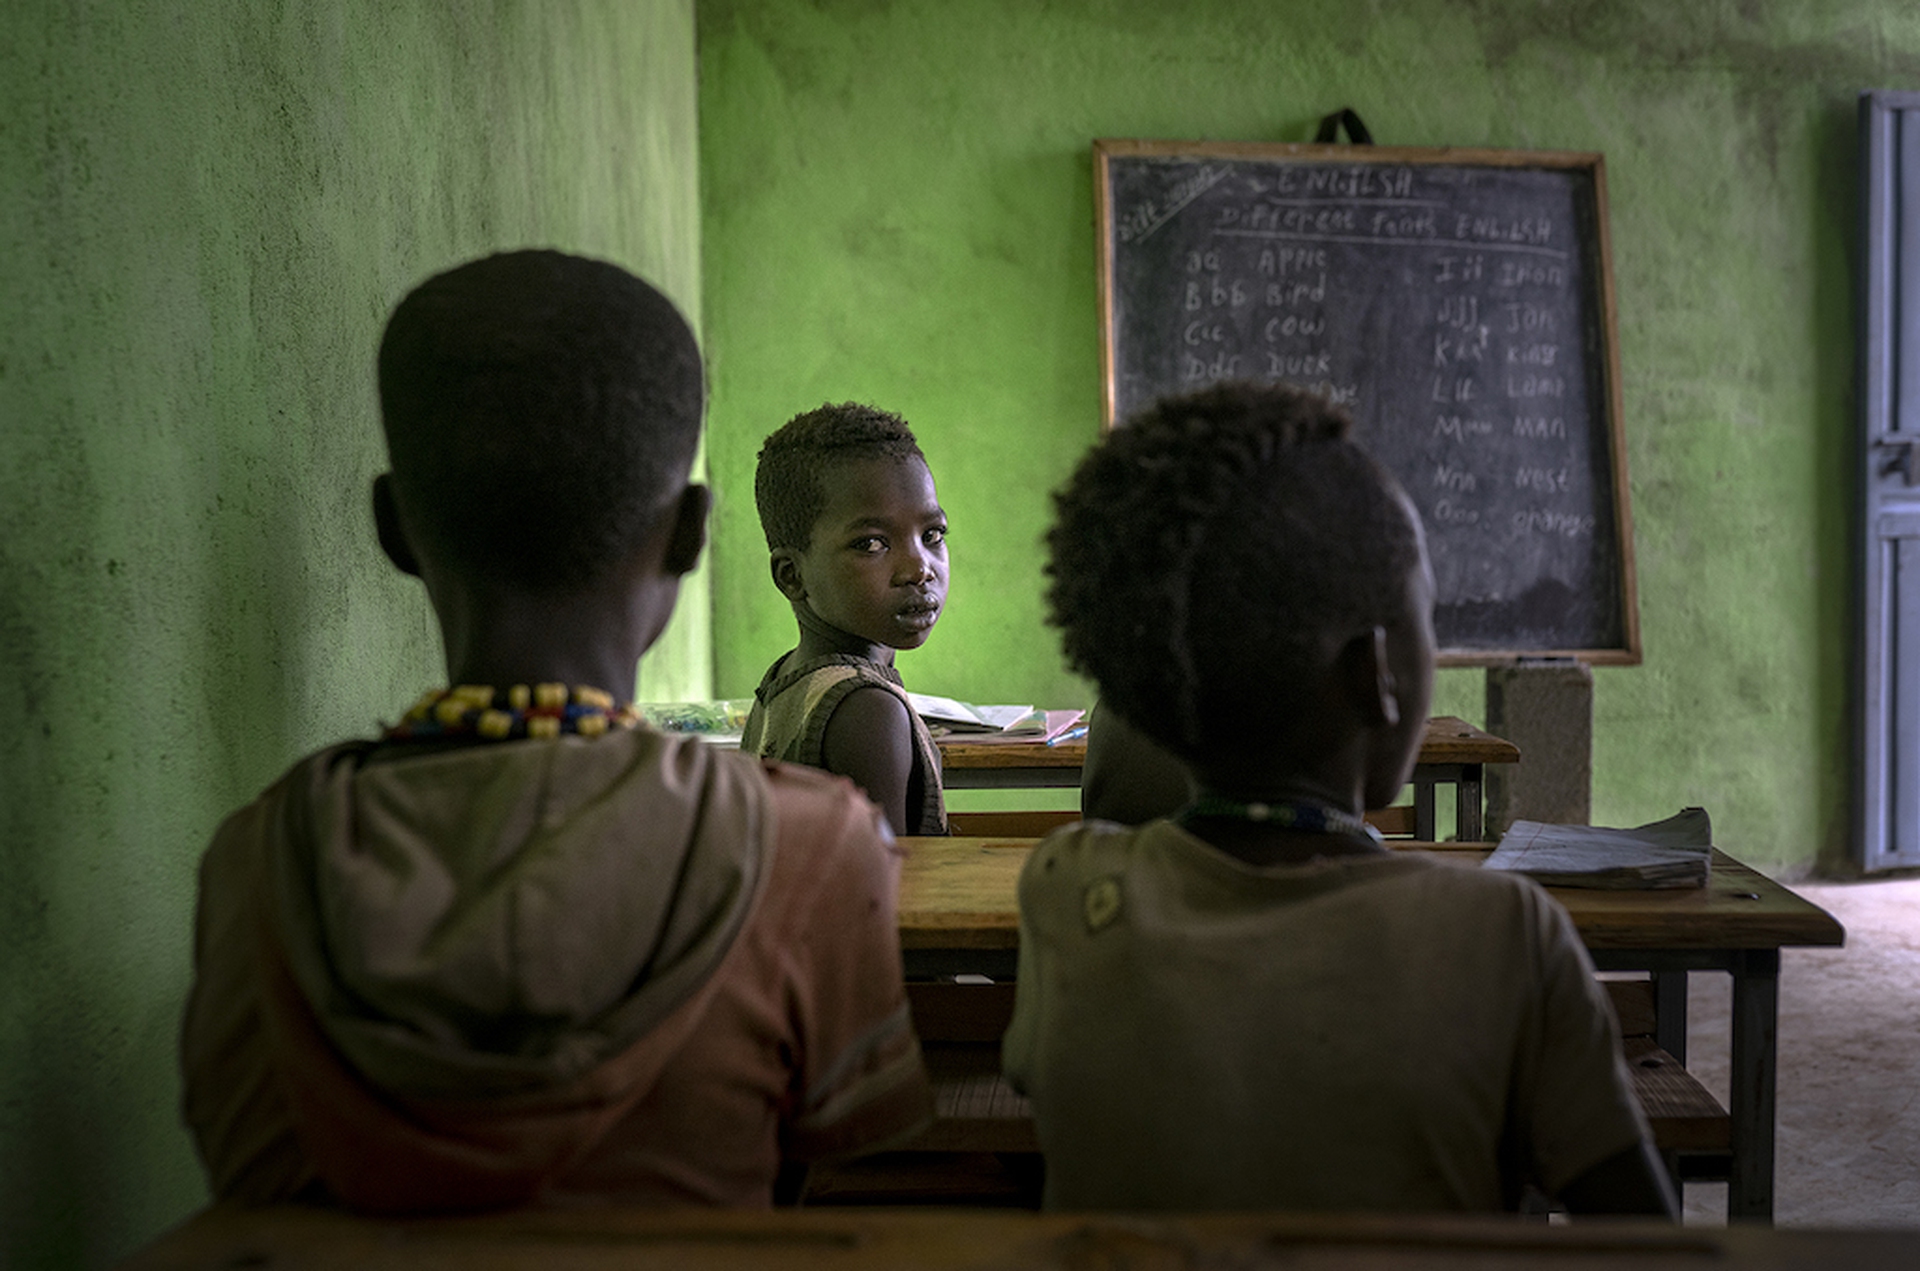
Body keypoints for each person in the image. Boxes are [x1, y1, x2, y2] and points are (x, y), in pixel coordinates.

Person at [180, 251, 932, 1213]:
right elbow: (844, 1175)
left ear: (395, 530)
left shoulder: (256, 864)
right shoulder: (810, 850)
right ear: (689, 534)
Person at [1002, 382, 1675, 1217]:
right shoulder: (1504, 936)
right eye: (1426, 617)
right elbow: (1648, 1236)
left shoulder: (1068, 892)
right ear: (1377, 671)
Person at [740, 403, 950, 836]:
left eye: (932, 535)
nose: (919, 569)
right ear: (792, 576)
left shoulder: (785, 678)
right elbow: (887, 878)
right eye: (871, 544)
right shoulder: (868, 710)